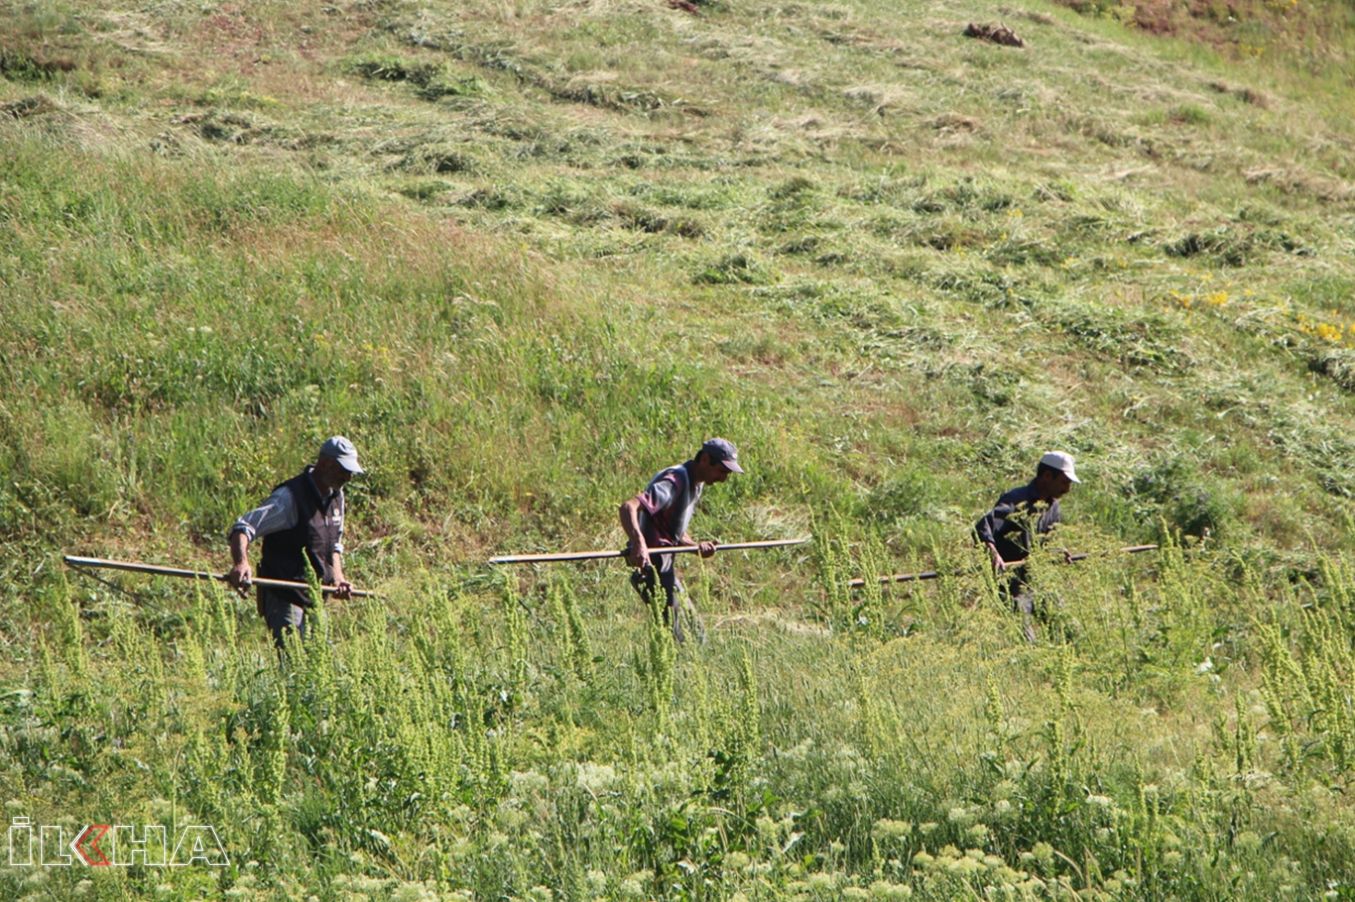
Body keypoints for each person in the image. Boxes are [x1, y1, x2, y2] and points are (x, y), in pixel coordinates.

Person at [226, 436, 363, 648]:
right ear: (325, 464)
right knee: (293, 663)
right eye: (344, 470)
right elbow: (244, 527)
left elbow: (334, 545)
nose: (349, 477)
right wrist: (241, 563)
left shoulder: (337, 497)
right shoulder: (290, 498)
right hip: (285, 596)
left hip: (315, 597)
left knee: (321, 666)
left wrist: (338, 578)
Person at [619, 438, 743, 642]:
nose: (724, 479)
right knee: (676, 639)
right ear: (704, 459)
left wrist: (696, 546)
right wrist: (638, 543)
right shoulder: (675, 481)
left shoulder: (696, 483)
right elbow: (628, 507)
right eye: (722, 471)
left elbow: (671, 530)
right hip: (653, 568)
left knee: (697, 635)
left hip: (666, 566)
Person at [974, 451, 1079, 641]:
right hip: (1011, 583)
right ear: (1047, 476)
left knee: (1067, 631)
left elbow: (1046, 539)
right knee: (1025, 640)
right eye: (1064, 482)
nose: (1067, 489)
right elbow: (983, 525)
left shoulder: (1052, 506)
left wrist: (1056, 552)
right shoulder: (1016, 499)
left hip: (1038, 580)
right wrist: (993, 554)